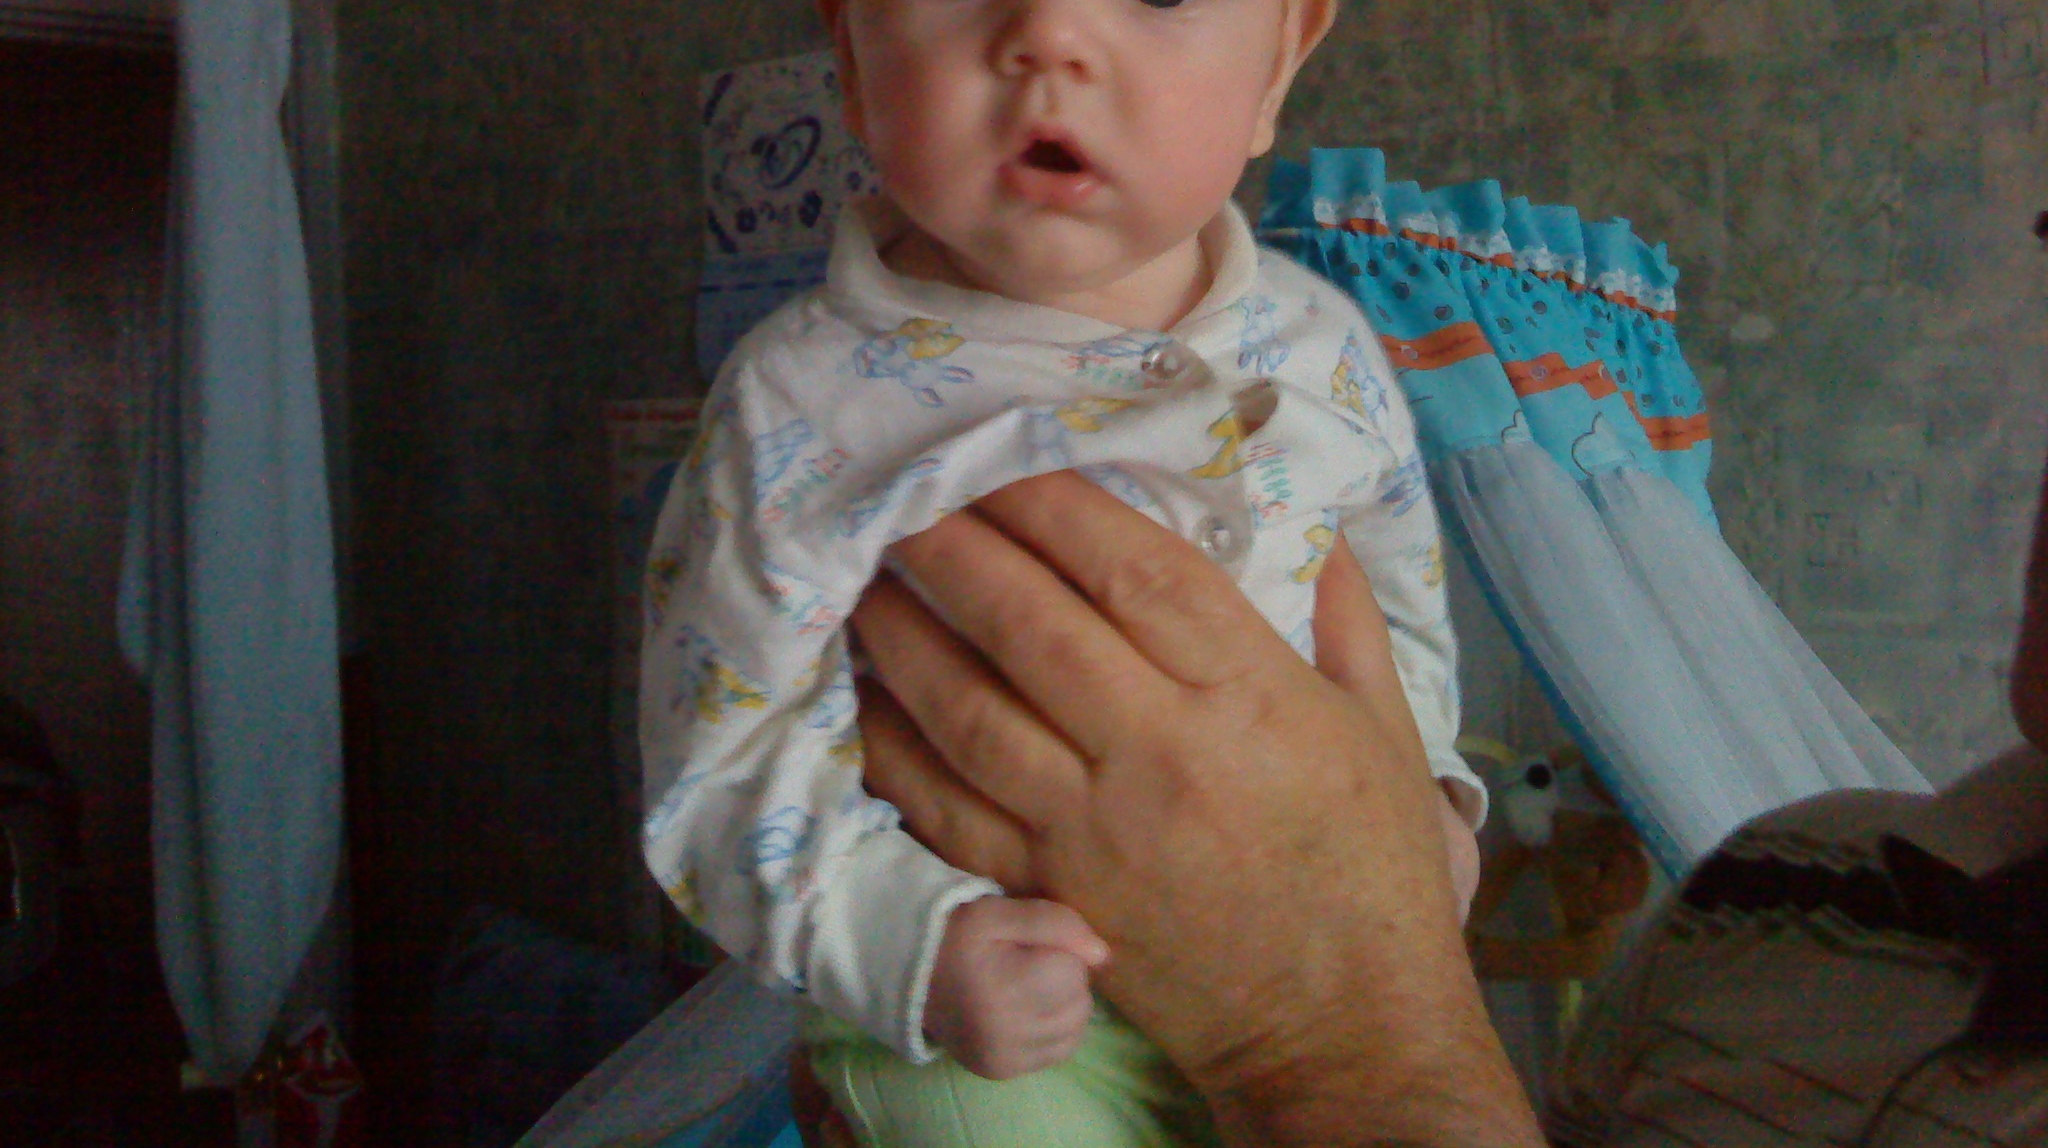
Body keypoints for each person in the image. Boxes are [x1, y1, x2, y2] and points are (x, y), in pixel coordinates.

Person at [638, 0, 1486, 1146]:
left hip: (1323, 966)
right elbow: (718, 767)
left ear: (1281, 54)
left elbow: (1400, 618)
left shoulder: (1321, 352)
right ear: (848, 36)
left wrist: (1426, 798)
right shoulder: (797, 406)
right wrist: (913, 944)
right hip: (1003, 1029)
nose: (1048, 39)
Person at [793, 243, 2048, 1145]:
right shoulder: (1771, 894)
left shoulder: (1312, 371)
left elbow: (1390, 608)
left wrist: (1341, 1032)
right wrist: (880, 934)